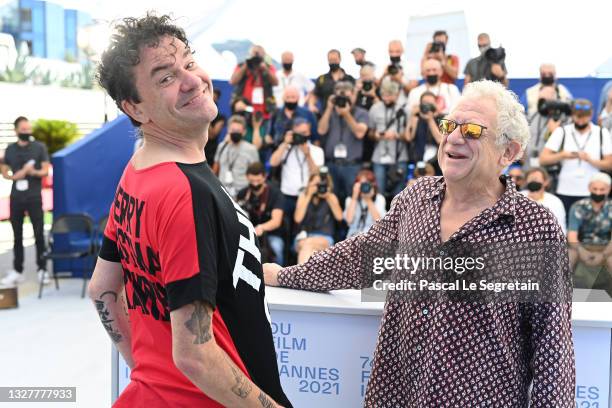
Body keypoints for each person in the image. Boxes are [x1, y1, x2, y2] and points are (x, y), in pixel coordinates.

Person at [265, 80, 574, 406]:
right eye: (449, 125)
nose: (453, 138)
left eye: (471, 130)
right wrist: (285, 276)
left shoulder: (535, 227)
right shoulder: (416, 198)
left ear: (508, 151)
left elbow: (553, 351)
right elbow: (358, 258)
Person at [91, 14, 291, 408]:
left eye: (189, 61)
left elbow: (102, 288)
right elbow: (194, 354)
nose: (191, 80)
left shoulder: (138, 170)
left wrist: (150, 375)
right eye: (165, 78)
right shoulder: (185, 191)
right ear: (135, 107)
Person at [0, 116, 50, 286]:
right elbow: (4, 168)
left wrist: (31, 171)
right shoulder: (11, 149)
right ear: (16, 131)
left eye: (29, 129)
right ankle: (17, 270)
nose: (27, 133)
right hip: (16, 198)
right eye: (23, 130)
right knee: (17, 235)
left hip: (34, 197)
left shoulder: (39, 147)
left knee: (38, 234)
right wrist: (12, 175)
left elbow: (45, 170)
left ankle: (42, 269)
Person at [539, 98, 612, 213]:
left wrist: (590, 160)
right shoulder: (561, 131)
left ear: (591, 114)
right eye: (578, 116)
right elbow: (543, 159)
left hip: (593, 190)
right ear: (572, 114)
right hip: (565, 189)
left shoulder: (602, 133)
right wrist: (562, 155)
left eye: (585, 116)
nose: (581, 120)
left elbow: (609, 164)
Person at [269, 118, 324, 233]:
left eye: (304, 133)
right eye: (298, 133)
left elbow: (316, 174)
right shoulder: (286, 148)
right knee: (285, 230)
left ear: (309, 132)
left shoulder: (317, 151)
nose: (301, 136)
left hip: (306, 197)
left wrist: (307, 154)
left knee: (302, 231)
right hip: (286, 196)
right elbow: (273, 162)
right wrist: (285, 143)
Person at [317, 81, 369, 204]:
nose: (343, 99)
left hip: (351, 166)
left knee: (352, 200)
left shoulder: (361, 113)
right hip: (332, 164)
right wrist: (329, 108)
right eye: (339, 96)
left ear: (353, 95)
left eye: (346, 95)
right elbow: (321, 130)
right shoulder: (330, 112)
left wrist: (346, 114)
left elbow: (359, 133)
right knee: (332, 200)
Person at [567, 172, 612, 293]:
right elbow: (572, 234)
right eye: (595, 189)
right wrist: (581, 251)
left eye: (602, 189)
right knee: (567, 258)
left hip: (607, 247)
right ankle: (562, 299)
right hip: (581, 245)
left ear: (609, 189)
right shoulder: (578, 206)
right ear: (589, 188)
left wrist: (603, 254)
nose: (598, 192)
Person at [236, 162, 285, 265]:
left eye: (258, 180)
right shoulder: (242, 194)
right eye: (252, 181)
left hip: (271, 233)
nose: (255, 184)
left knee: (277, 248)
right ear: (247, 177)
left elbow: (276, 221)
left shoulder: (275, 194)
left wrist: (261, 228)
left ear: (264, 177)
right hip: (248, 233)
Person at [368, 78, 410, 197]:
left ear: (397, 95)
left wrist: (397, 135)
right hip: (379, 157)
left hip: (399, 157)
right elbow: (369, 132)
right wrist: (375, 135)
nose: (386, 98)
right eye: (384, 95)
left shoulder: (404, 110)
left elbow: (409, 136)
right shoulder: (375, 109)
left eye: (390, 95)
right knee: (379, 192)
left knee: (399, 195)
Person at [293, 170, 343, 264]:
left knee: (309, 246)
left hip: (324, 237)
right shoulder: (304, 196)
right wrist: (308, 195)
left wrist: (328, 196)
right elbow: (297, 219)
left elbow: (339, 217)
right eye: (315, 184)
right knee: (310, 249)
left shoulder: (331, 196)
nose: (318, 187)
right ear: (309, 184)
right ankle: (307, 277)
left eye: (320, 184)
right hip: (303, 237)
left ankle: (301, 276)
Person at [523, 85, 570, 169]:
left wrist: (555, 132)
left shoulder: (565, 119)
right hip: (530, 166)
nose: (543, 105)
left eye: (546, 101)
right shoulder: (533, 116)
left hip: (554, 167)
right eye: (541, 100)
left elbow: (570, 146)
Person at [213, 115, 260, 197]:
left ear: (244, 132)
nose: (235, 133)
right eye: (233, 130)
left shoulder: (251, 149)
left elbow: (255, 173)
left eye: (238, 130)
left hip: (241, 192)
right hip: (223, 191)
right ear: (228, 130)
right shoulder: (222, 146)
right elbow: (216, 168)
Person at [229, 44, 278, 121]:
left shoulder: (268, 67)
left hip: (264, 111)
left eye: (259, 54)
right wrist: (246, 65)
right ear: (249, 54)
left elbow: (276, 82)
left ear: (264, 56)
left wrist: (265, 68)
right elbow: (233, 81)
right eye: (254, 54)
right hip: (243, 109)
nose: (256, 57)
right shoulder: (242, 66)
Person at [309, 49, 355, 114]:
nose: (333, 62)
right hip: (326, 114)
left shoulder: (349, 79)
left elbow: (354, 95)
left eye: (335, 60)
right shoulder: (322, 79)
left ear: (339, 59)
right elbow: (314, 94)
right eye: (331, 60)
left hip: (347, 113)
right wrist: (311, 105)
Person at [407, 91, 444, 171]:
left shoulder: (442, 118)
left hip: (436, 163)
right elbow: (408, 138)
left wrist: (430, 119)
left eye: (430, 103)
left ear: (435, 104)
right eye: (425, 103)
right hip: (418, 160)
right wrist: (412, 116)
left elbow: (440, 140)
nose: (427, 106)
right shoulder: (416, 117)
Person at [522, 167, 566, 232]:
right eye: (531, 179)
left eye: (536, 179)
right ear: (526, 182)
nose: (533, 181)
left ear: (546, 182)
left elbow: (560, 229)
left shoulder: (555, 201)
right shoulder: (516, 197)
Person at [344, 169, 386, 238]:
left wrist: (369, 200)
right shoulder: (350, 200)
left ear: (373, 185)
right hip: (353, 237)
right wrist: (354, 197)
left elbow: (380, 223)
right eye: (361, 184)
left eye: (367, 184)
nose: (364, 187)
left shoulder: (379, 199)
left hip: (372, 237)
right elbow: (349, 220)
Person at [204, 88, 226, 165]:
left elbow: (212, 135)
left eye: (214, 98)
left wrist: (207, 115)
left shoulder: (221, 118)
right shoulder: (196, 114)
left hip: (211, 151)